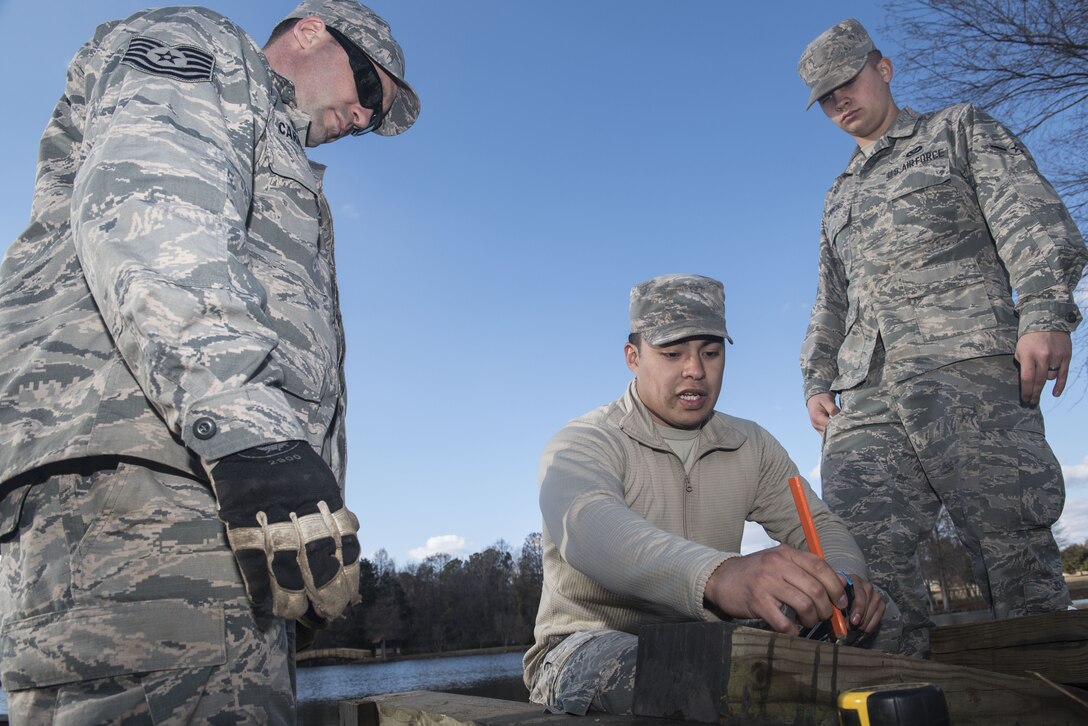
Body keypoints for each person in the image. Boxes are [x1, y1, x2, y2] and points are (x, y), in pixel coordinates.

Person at [0, 0, 419, 722]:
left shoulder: (277, 150)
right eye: (370, 92)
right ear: (314, 30)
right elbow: (150, 207)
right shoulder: (204, 45)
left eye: (376, 118)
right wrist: (254, 436)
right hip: (152, 476)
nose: (364, 119)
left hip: (200, 483)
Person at [797, 19, 1088, 658]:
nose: (840, 100)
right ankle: (898, 688)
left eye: (848, 81)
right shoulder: (838, 195)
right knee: (858, 553)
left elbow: (1030, 215)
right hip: (867, 392)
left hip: (967, 368)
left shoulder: (957, 130)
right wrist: (817, 377)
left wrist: (1043, 312)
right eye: (825, 97)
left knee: (1011, 540)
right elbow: (830, 296)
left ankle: (1048, 691)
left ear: (884, 68)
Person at [523, 273, 899, 717]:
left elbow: (819, 526)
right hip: (586, 643)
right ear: (633, 357)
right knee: (690, 676)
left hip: (715, 639)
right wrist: (720, 575)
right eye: (672, 353)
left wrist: (843, 583)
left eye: (711, 352)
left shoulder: (751, 443)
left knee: (884, 623)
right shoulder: (582, 442)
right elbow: (591, 528)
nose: (695, 370)